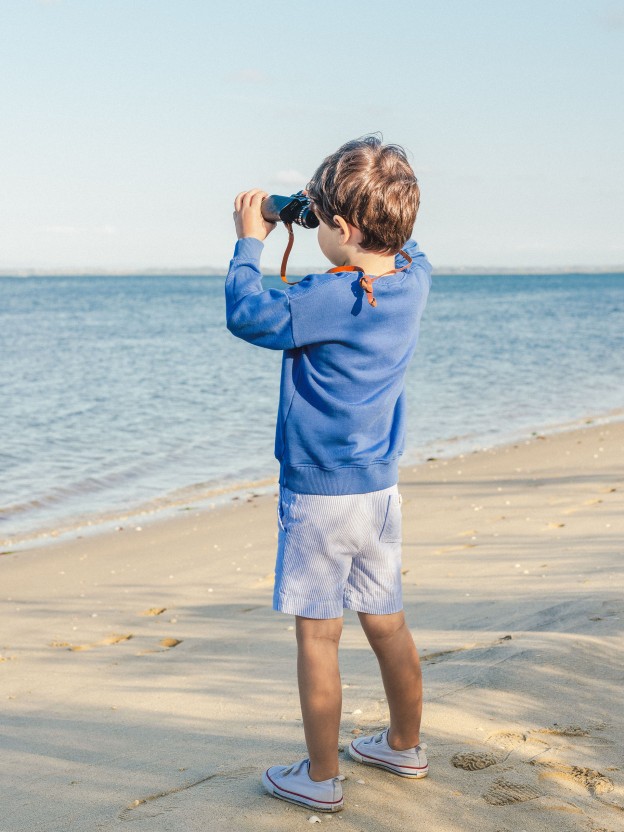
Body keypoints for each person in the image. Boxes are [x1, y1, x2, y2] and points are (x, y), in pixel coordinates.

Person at [225, 136, 432, 813]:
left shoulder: (326, 296)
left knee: (319, 634)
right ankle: (403, 744)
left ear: (341, 227)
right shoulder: (413, 279)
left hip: (319, 495)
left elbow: (247, 314)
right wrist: (310, 207)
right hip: (379, 491)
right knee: (387, 623)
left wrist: (251, 239)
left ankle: (319, 777)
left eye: (322, 220)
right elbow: (397, 244)